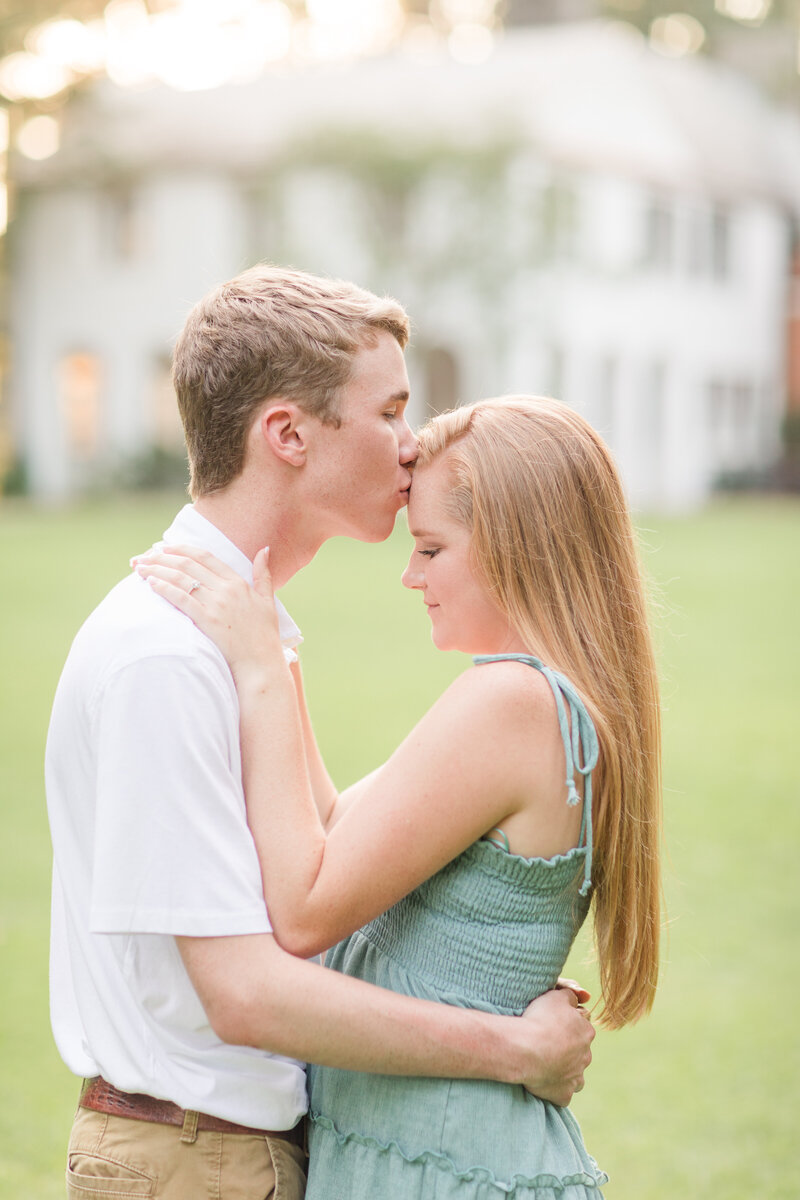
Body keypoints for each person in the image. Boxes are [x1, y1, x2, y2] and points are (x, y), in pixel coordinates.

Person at [45, 266, 595, 1200]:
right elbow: (249, 990)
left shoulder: (244, 635)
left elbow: (336, 860)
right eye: (389, 410)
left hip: (229, 1154)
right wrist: (514, 1047)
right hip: (195, 1164)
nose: (412, 441)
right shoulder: (170, 658)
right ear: (288, 435)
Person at [135, 394, 663, 1198]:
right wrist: (273, 645)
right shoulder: (552, 704)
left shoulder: (513, 704)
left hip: (449, 1163)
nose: (411, 575)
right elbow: (339, 830)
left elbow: (306, 908)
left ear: (518, 547)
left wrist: (259, 675)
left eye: (432, 547)